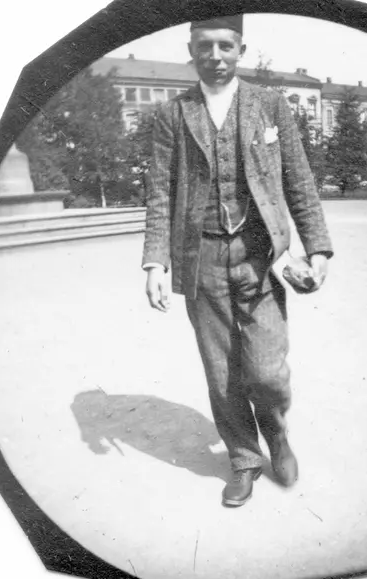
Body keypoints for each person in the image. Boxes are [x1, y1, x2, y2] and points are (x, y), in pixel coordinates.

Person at [142, 13, 333, 507]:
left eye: (225, 46)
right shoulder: (171, 114)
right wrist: (155, 263)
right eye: (204, 46)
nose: (215, 56)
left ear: (241, 50)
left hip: (261, 256)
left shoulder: (270, 105)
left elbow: (298, 179)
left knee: (266, 371)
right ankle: (245, 459)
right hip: (201, 257)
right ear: (191, 51)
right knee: (221, 371)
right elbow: (159, 192)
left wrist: (317, 247)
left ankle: (278, 434)